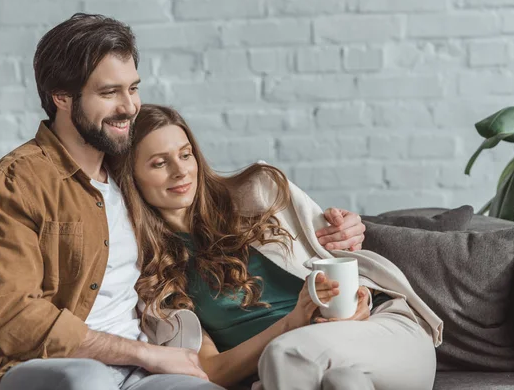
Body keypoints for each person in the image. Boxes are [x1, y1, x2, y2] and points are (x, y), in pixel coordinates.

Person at [0, 14, 228, 390]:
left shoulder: (130, 171)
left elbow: (210, 202)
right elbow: (10, 318)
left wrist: (320, 233)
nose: (129, 107)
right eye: (109, 93)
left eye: (133, 88)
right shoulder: (15, 184)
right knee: (86, 380)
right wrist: (141, 353)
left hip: (139, 371)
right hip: (39, 367)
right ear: (62, 97)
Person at [110, 104, 444, 390]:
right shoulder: (149, 271)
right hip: (313, 367)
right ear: (131, 176)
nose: (181, 170)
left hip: (382, 331)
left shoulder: (258, 192)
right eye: (159, 163)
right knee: (343, 382)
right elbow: (210, 370)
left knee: (285, 354)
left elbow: (338, 250)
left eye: (186, 155)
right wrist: (291, 323)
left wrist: (349, 242)